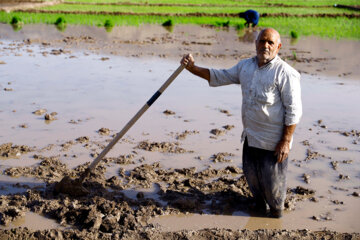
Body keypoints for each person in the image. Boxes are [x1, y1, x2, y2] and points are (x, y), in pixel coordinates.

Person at [180, 28, 302, 218]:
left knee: (274, 194)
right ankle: (259, 217)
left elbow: (294, 111)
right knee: (253, 183)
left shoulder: (285, 73)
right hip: (251, 138)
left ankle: (275, 220)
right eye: (262, 41)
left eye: (270, 43)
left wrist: (286, 141)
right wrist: (193, 68)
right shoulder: (246, 67)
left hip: (273, 144)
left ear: (278, 47)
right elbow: (219, 76)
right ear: (256, 44)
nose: (265, 46)